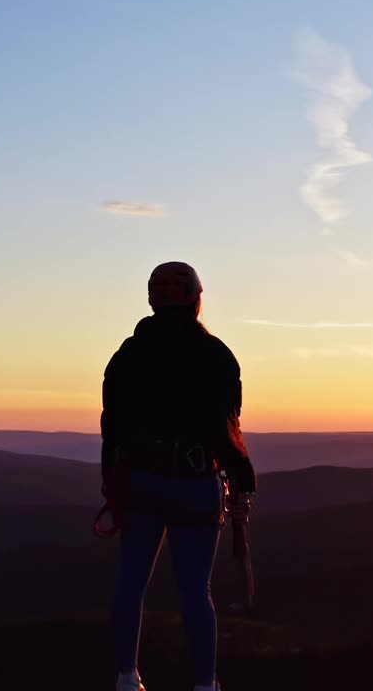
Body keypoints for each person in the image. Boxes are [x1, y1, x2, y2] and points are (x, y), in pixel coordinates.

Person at [100, 261, 257, 691]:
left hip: (140, 480)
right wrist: (242, 474)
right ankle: (205, 684)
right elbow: (225, 424)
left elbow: (111, 422)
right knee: (194, 590)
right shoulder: (215, 355)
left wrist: (109, 477)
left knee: (130, 581)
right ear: (196, 299)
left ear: (152, 299)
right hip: (192, 482)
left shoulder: (127, 355)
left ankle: (127, 677)